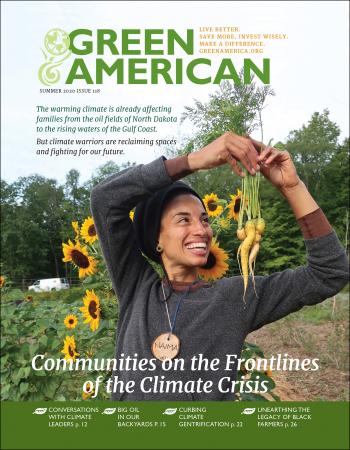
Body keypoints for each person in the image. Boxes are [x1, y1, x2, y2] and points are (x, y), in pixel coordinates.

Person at [90, 132, 349, 401]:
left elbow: (329, 272)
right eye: (183, 220)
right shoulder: (136, 289)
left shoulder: (236, 297)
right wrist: (195, 160)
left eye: (204, 219)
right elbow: (105, 200)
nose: (201, 230)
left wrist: (292, 187)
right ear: (156, 238)